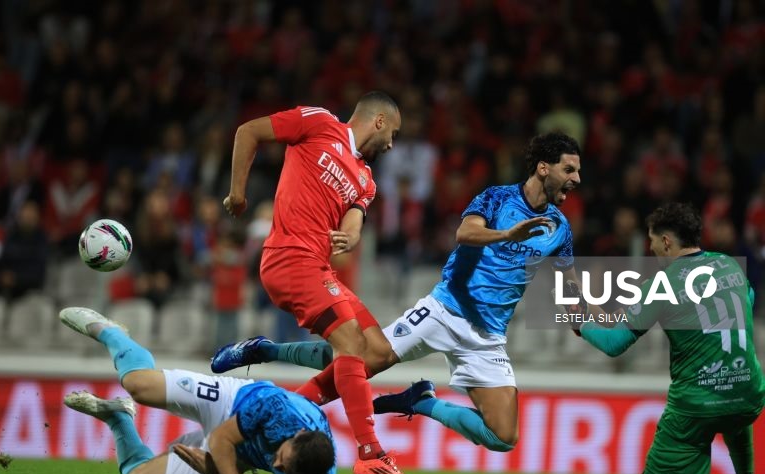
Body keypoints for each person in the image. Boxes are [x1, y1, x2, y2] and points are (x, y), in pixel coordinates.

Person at [214, 132, 589, 456]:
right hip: (444, 310)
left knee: (504, 436)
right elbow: (466, 233)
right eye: (569, 169)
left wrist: (580, 313)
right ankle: (267, 352)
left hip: (487, 337)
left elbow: (568, 280)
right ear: (543, 168)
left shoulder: (559, 227)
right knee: (359, 358)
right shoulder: (497, 199)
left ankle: (421, 401)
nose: (576, 178)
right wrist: (508, 234)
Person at [222, 91, 416, 474]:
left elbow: (355, 220)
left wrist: (349, 237)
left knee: (377, 352)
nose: (391, 144)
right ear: (378, 122)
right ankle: (370, 454)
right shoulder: (319, 122)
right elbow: (248, 132)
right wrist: (238, 193)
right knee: (349, 342)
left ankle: (287, 411)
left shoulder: (366, 180)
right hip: (288, 258)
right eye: (392, 133)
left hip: (318, 267)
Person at [576, 203, 765, 474]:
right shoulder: (730, 265)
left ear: (666, 241)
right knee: (734, 409)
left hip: (696, 404)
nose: (650, 250)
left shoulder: (661, 284)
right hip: (751, 393)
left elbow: (614, 344)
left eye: (651, 242)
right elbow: (749, 299)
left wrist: (579, 325)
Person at [59, 307, 336, 474]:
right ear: (298, 434)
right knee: (139, 385)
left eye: (284, 469)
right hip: (231, 403)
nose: (276, 466)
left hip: (238, 456)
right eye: (282, 459)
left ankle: (119, 418)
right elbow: (221, 440)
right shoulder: (276, 410)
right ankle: (112, 333)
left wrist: (217, 472)